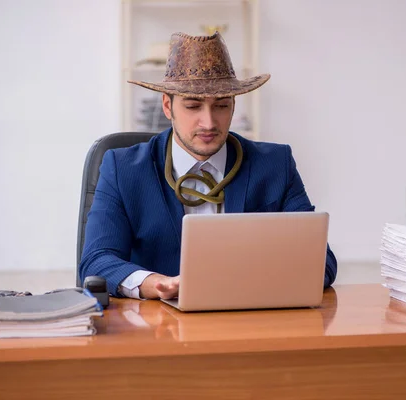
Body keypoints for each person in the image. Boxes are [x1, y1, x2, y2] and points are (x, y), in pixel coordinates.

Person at [79, 31, 337, 300]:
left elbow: (323, 262)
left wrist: (257, 282)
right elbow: (97, 261)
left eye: (221, 106)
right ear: (168, 106)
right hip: (159, 327)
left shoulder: (275, 164)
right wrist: (154, 284)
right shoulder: (123, 169)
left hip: (252, 320)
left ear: (234, 106)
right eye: (193, 106)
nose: (209, 123)